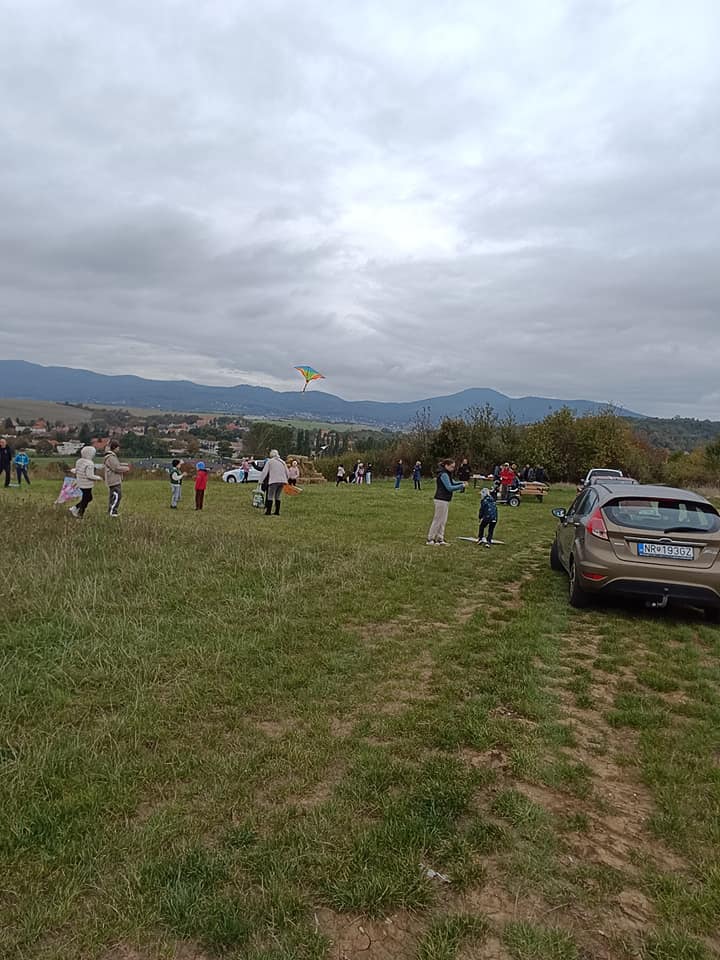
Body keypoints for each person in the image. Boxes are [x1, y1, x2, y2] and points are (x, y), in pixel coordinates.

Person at [426, 458, 466, 545]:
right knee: (438, 519)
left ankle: (440, 538)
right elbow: (449, 487)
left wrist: (461, 483)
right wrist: (461, 486)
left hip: (445, 500)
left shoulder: (447, 474)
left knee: (443, 520)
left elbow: (453, 482)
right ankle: (430, 538)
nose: (453, 469)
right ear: (446, 466)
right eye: (451, 467)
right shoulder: (443, 474)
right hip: (441, 499)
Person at [69, 445, 103, 518]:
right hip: (87, 485)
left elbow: (77, 470)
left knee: (87, 498)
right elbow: (89, 475)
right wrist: (98, 478)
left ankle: (76, 509)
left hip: (80, 483)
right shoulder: (90, 463)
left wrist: (73, 470)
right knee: (87, 499)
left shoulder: (79, 461)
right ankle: (78, 512)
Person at [104, 440, 130, 516]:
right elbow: (116, 468)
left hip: (114, 480)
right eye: (118, 448)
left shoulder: (111, 457)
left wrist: (124, 464)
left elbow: (116, 465)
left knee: (114, 496)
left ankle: (111, 511)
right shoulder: (111, 457)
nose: (119, 449)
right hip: (113, 480)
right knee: (117, 496)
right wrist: (126, 468)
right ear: (115, 448)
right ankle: (112, 512)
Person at [259, 449, 289, 515]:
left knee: (270, 495)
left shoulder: (270, 461)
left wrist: (260, 481)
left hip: (274, 481)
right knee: (278, 496)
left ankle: (268, 511)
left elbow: (264, 472)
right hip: (282, 481)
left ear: (271, 455)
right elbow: (287, 472)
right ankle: (277, 511)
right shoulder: (282, 462)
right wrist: (286, 479)